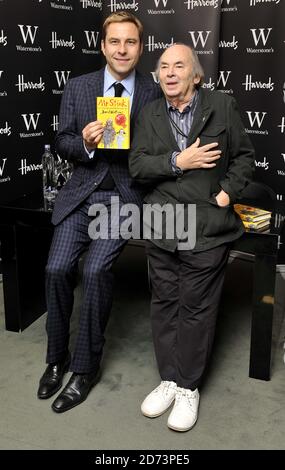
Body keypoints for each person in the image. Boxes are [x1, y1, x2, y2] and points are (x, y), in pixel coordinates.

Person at [37, 11, 160, 413]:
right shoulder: (79, 87)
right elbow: (62, 141)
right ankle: (57, 358)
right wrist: (86, 142)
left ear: (140, 48)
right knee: (56, 269)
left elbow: (157, 154)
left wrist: (137, 146)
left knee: (93, 272)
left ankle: (85, 369)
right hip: (80, 193)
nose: (122, 49)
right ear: (103, 45)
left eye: (130, 42)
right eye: (115, 42)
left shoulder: (153, 92)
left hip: (122, 197)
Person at [129, 43, 254, 431]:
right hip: (163, 223)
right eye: (163, 66)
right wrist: (176, 162)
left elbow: (245, 157)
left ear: (195, 75)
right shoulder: (149, 112)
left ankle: (188, 386)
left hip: (207, 224)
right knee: (164, 302)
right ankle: (168, 379)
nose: (169, 72)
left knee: (196, 307)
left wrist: (226, 193)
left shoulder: (221, 105)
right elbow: (137, 165)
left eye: (178, 65)